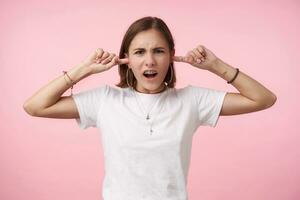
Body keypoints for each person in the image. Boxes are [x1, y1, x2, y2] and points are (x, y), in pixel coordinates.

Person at [23, 16, 277, 200]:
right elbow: (34, 106)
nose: (150, 61)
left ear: (171, 56)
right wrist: (83, 69)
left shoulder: (191, 101)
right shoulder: (105, 100)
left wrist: (216, 65)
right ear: (127, 59)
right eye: (139, 52)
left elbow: (263, 99)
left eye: (158, 51)